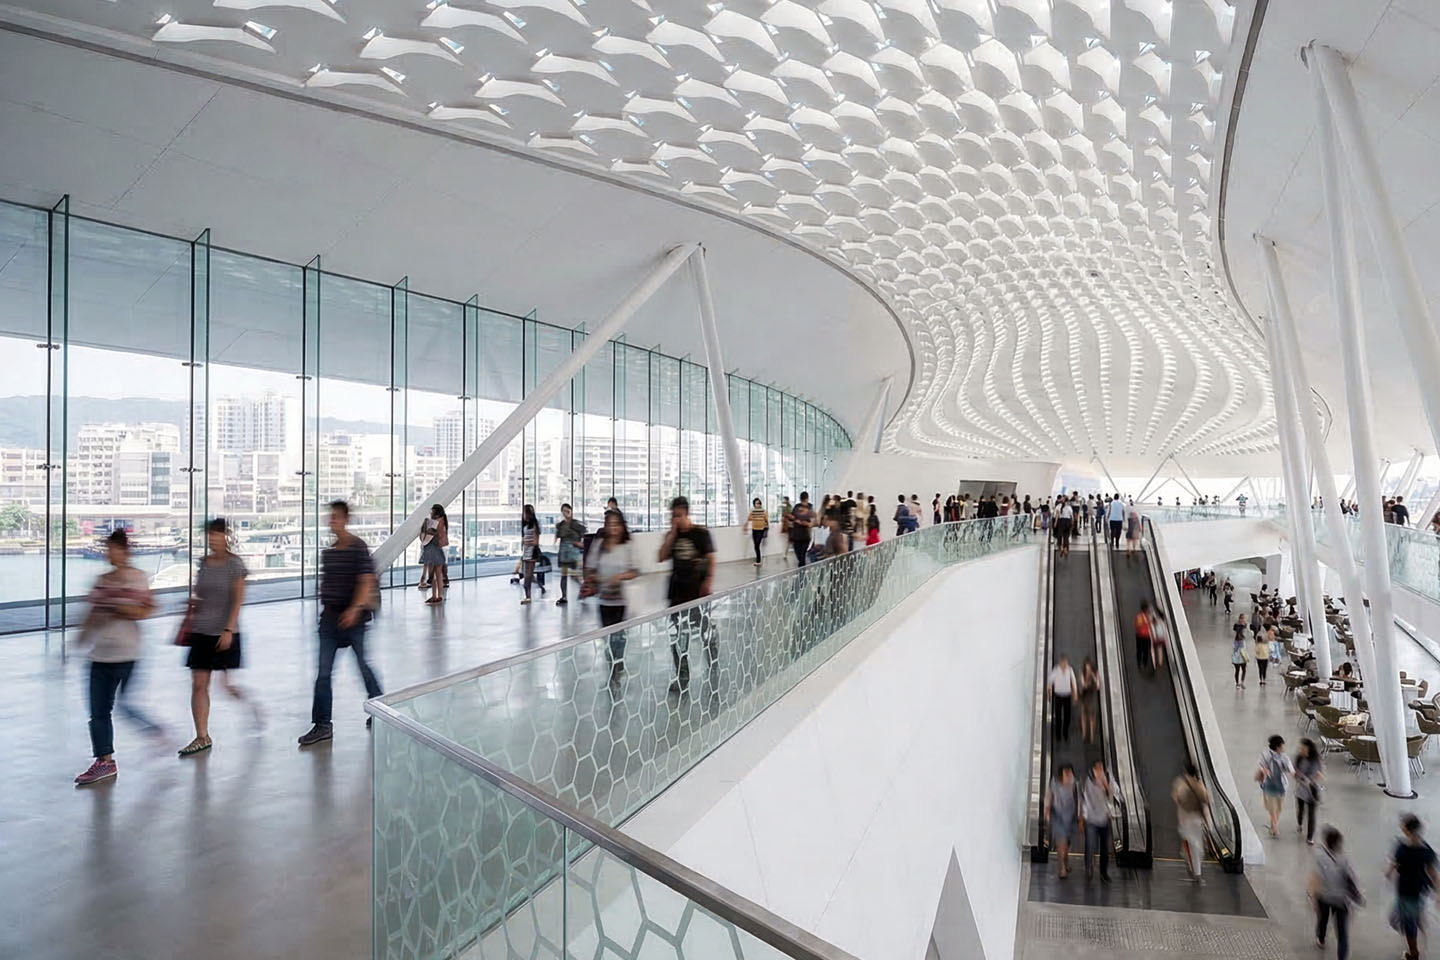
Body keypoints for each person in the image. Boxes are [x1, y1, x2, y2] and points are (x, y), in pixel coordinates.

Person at [73, 529, 162, 785]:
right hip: (99, 655)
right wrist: (80, 639)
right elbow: (92, 613)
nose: (109, 554)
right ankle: (105, 762)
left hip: (127, 654)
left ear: (125, 551)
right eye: (107, 549)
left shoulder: (138, 578)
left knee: (125, 705)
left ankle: (154, 731)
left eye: (114, 549)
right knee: (98, 712)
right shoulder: (102, 581)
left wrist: (124, 608)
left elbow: (148, 609)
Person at [299, 500, 382, 747]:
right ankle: (322, 724)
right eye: (330, 517)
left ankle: (380, 709)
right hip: (330, 620)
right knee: (323, 673)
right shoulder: (329, 552)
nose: (331, 521)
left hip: (354, 619)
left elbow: (366, 581)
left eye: (335, 517)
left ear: (346, 519)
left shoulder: (358, 547)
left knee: (363, 665)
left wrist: (354, 609)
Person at [179, 518, 256, 757]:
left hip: (223, 632)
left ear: (226, 536)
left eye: (217, 535)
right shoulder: (203, 563)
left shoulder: (235, 564)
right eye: (210, 535)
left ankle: (252, 710)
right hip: (201, 630)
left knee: (227, 686)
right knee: (199, 684)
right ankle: (202, 736)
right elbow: (200, 592)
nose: (213, 539)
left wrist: (228, 630)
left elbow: (238, 600)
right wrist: (194, 602)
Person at [658, 496, 715, 694]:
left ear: (687, 514)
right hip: (676, 594)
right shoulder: (671, 536)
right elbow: (661, 556)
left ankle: (713, 658)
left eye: (679, 515)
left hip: (697, 593)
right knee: (678, 638)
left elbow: (711, 558)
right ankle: (682, 677)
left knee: (704, 631)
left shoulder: (701, 533)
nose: (676, 519)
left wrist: (707, 582)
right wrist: (672, 534)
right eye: (673, 516)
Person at [586, 510, 638, 681]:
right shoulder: (599, 545)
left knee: (619, 637)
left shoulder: (627, 546)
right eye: (609, 524)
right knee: (608, 638)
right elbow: (590, 568)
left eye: (616, 524)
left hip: (620, 601)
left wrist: (620, 577)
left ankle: (618, 665)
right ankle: (613, 664)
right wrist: (594, 578)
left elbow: (635, 570)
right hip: (604, 601)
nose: (613, 528)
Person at [1389, 814, 1439, 960]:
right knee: (1410, 913)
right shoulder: (1426, 850)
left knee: (1403, 921)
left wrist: (1389, 871)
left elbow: (1395, 863)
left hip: (1406, 890)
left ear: (1407, 830)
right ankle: (1418, 921)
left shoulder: (1402, 848)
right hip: (1418, 889)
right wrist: (1437, 892)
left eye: (1403, 826)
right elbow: (1433, 873)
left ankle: (1413, 953)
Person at [1310, 826, 1363, 960]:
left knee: (1323, 919)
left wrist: (1314, 898)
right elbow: (1351, 878)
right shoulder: (1344, 858)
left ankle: (1321, 939)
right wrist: (1356, 895)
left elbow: (1316, 878)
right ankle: (1342, 957)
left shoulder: (1320, 856)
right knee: (1342, 932)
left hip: (1324, 896)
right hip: (1341, 899)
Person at [1172, 760, 1211, 881]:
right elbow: (1206, 799)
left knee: (1187, 841)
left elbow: (1176, 798)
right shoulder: (1199, 784)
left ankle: (1191, 864)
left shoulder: (1180, 782)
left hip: (1184, 817)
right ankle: (1197, 871)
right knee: (1196, 844)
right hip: (1197, 818)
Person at [1255, 733, 1293, 838]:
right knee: (1272, 809)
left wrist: (1291, 772)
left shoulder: (1284, 757)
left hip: (1281, 786)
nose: (1284, 748)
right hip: (1268, 785)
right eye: (1282, 746)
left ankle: (1273, 823)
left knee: (1278, 809)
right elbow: (1260, 764)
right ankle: (1275, 828)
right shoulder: (1266, 754)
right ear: (1277, 747)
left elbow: (1290, 769)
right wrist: (1264, 770)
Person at [1081, 759, 1113, 883]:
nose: (1100, 771)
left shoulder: (1107, 778)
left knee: (1105, 848)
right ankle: (1089, 868)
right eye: (1098, 768)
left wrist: (1106, 787)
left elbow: (1112, 796)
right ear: (1093, 769)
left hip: (1104, 818)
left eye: (1101, 768)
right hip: (1091, 819)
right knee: (1090, 845)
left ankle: (1103, 872)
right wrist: (1083, 816)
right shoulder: (1089, 781)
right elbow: (1085, 799)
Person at [1047, 763, 1080, 879]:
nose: (1070, 776)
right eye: (1067, 773)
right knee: (1061, 843)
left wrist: (1079, 816)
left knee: (1067, 843)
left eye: (1070, 773)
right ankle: (1062, 867)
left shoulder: (1074, 783)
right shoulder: (1055, 784)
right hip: (1058, 817)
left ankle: (1065, 862)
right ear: (1061, 775)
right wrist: (1047, 812)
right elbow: (1049, 797)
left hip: (1070, 817)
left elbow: (1078, 799)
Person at [553, 503, 585, 605]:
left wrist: (580, 543)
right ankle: (564, 595)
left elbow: (583, 534)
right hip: (564, 552)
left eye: (568, 511)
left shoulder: (576, 525)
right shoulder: (561, 525)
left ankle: (583, 591)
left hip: (573, 551)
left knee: (574, 575)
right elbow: (557, 536)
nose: (566, 513)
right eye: (564, 511)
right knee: (564, 575)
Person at [1294, 738, 1324, 846]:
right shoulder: (1298, 758)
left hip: (1312, 790)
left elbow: (1319, 773)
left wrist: (1312, 779)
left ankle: (1310, 837)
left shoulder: (1315, 760)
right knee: (1300, 809)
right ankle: (1300, 823)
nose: (1301, 749)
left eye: (1303, 748)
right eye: (1300, 748)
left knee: (1312, 814)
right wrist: (1299, 777)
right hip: (1301, 789)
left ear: (1309, 749)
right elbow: (1295, 772)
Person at [419, 504, 449, 605]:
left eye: (432, 511)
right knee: (437, 574)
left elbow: (428, 535)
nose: (431, 513)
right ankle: (438, 596)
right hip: (437, 549)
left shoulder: (435, 522)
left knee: (434, 575)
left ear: (436, 512)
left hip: (433, 549)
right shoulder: (442, 521)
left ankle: (436, 595)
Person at [1048, 653, 1077, 743]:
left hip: (1067, 696)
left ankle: (1065, 733)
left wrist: (1075, 693)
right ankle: (1058, 735)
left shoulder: (1070, 670)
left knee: (1067, 717)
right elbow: (1049, 683)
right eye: (1063, 662)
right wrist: (1049, 694)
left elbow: (1073, 681)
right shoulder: (1056, 670)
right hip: (1058, 696)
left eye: (1066, 662)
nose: (1065, 664)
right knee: (1058, 716)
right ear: (1060, 662)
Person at [519, 504, 542, 605]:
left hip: (532, 552)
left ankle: (528, 597)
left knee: (527, 577)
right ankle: (540, 587)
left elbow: (536, 542)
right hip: (526, 552)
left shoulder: (534, 525)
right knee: (528, 575)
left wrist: (526, 542)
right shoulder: (525, 525)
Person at [1079, 657, 1101, 744]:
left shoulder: (1095, 673)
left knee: (1092, 716)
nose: (1088, 670)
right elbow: (1083, 685)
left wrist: (1093, 677)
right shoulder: (1082, 673)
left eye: (1089, 668)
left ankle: (1092, 736)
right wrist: (1087, 680)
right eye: (1086, 668)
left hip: (1092, 697)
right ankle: (1084, 734)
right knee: (1084, 714)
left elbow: (1098, 686)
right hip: (1084, 696)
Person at [789, 492, 815, 566]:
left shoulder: (810, 507)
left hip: (805, 535)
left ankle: (802, 572)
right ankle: (802, 571)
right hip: (797, 535)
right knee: (799, 555)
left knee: (802, 556)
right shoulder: (797, 506)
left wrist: (805, 523)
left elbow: (812, 521)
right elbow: (792, 517)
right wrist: (793, 519)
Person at [743, 497, 769, 566]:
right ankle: (758, 560)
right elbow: (749, 518)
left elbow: (766, 519)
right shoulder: (753, 511)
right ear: (754, 504)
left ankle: (759, 560)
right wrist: (745, 526)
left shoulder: (764, 511)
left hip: (761, 529)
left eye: (759, 503)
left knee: (757, 544)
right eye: (756, 503)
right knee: (756, 545)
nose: (758, 504)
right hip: (754, 529)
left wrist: (766, 528)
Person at [1232, 614, 1249, 689]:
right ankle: (1237, 683)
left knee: (1244, 668)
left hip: (1242, 650)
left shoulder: (1244, 626)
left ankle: (1241, 682)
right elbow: (1236, 629)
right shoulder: (1238, 626)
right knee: (1238, 669)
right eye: (1244, 619)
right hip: (1238, 651)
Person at [1134, 600, 1153, 671]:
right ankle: (1141, 664)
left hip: (1144, 637)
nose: (1148, 610)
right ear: (1144, 609)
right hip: (1142, 637)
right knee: (1141, 651)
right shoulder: (1140, 617)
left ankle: (1143, 664)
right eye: (1147, 608)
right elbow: (1138, 626)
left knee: (1144, 651)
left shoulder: (1147, 616)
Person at [1254, 619, 1271, 687]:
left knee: (1260, 669)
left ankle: (1260, 679)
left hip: (1259, 658)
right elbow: (1269, 650)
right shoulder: (1266, 645)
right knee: (1265, 669)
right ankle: (1264, 679)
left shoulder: (1258, 645)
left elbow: (1256, 651)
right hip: (1265, 657)